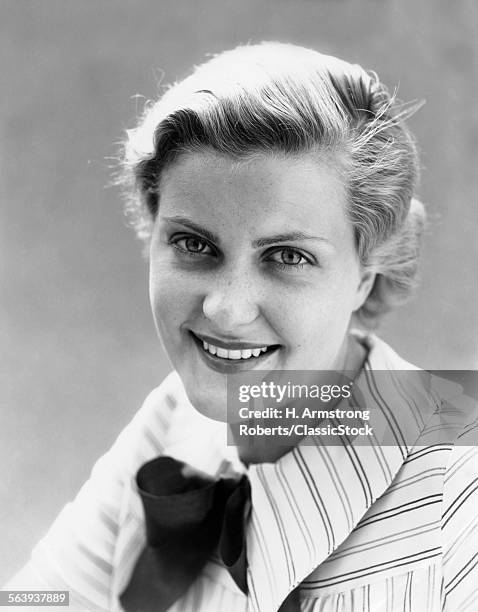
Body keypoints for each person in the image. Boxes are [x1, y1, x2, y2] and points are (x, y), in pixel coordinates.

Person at [5, 42, 478, 612]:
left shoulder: (460, 500)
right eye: (194, 244)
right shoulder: (175, 420)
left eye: (287, 256)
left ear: (366, 272)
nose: (227, 310)